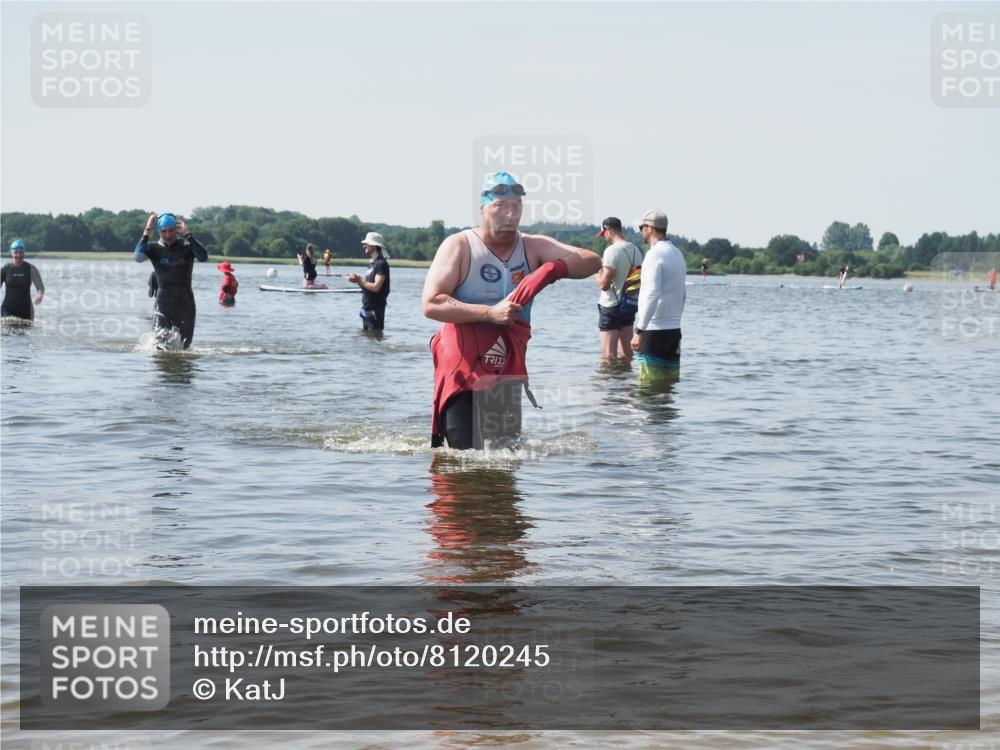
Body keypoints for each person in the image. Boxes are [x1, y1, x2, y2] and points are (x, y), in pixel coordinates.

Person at [422, 171, 601, 449]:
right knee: (462, 457)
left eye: (516, 206)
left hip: (505, 366)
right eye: (500, 206)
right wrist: (490, 314)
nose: (510, 214)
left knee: (505, 455)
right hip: (462, 367)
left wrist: (550, 271)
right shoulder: (459, 246)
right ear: (482, 209)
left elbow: (592, 261)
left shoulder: (532, 247)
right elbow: (431, 303)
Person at [134, 212, 208, 349]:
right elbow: (138, 257)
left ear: (177, 229)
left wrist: (188, 235)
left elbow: (203, 256)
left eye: (171, 230)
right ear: (158, 231)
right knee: (159, 343)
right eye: (163, 231)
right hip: (163, 303)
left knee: (184, 347)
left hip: (185, 304)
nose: (168, 235)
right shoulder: (153, 249)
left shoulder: (187, 246)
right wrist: (147, 230)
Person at [630, 209, 686, 386]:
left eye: (641, 227)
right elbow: (683, 294)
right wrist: (675, 320)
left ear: (649, 228)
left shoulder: (654, 254)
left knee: (649, 387)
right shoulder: (677, 254)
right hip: (674, 330)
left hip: (654, 330)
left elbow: (651, 293)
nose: (641, 232)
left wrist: (640, 330)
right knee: (668, 386)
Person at [594, 217, 642, 362]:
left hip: (611, 306)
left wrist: (597, 273)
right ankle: (626, 383)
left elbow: (604, 285)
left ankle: (610, 384)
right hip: (629, 305)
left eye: (604, 234)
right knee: (627, 356)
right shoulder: (635, 250)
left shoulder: (611, 251)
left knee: (608, 357)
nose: (605, 238)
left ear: (608, 229)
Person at [347, 232, 390, 331]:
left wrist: (360, 280)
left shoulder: (381, 264)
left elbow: (376, 287)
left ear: (374, 246)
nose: (363, 245)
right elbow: (367, 287)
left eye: (367, 243)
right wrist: (357, 281)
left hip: (376, 310)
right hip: (367, 309)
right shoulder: (372, 264)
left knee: (374, 339)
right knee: (368, 342)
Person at [1, 239, 45, 320]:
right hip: (7, 309)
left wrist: (40, 294)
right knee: (7, 331)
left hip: (26, 310)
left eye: (21, 252)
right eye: (16, 252)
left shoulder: (31, 269)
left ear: (24, 253)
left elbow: (40, 287)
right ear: (12, 253)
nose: (18, 255)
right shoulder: (5, 269)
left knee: (26, 331)